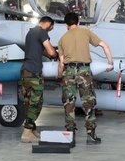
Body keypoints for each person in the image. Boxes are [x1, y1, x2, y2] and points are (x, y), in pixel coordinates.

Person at [57, 12, 113, 144]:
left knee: (69, 104)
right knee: (88, 102)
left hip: (69, 72)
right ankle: (91, 135)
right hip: (84, 71)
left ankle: (70, 136)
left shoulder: (62, 39)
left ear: (66, 25)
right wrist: (110, 63)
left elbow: (61, 62)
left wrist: (59, 74)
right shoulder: (86, 32)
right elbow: (105, 46)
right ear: (78, 22)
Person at [20, 16, 58, 143]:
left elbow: (41, 51)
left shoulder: (30, 33)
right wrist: (56, 54)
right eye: (51, 28)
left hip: (25, 71)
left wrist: (49, 53)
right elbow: (51, 52)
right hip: (35, 72)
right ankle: (26, 132)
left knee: (28, 102)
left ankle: (32, 129)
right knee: (36, 103)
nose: (50, 31)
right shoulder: (42, 32)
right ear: (48, 24)